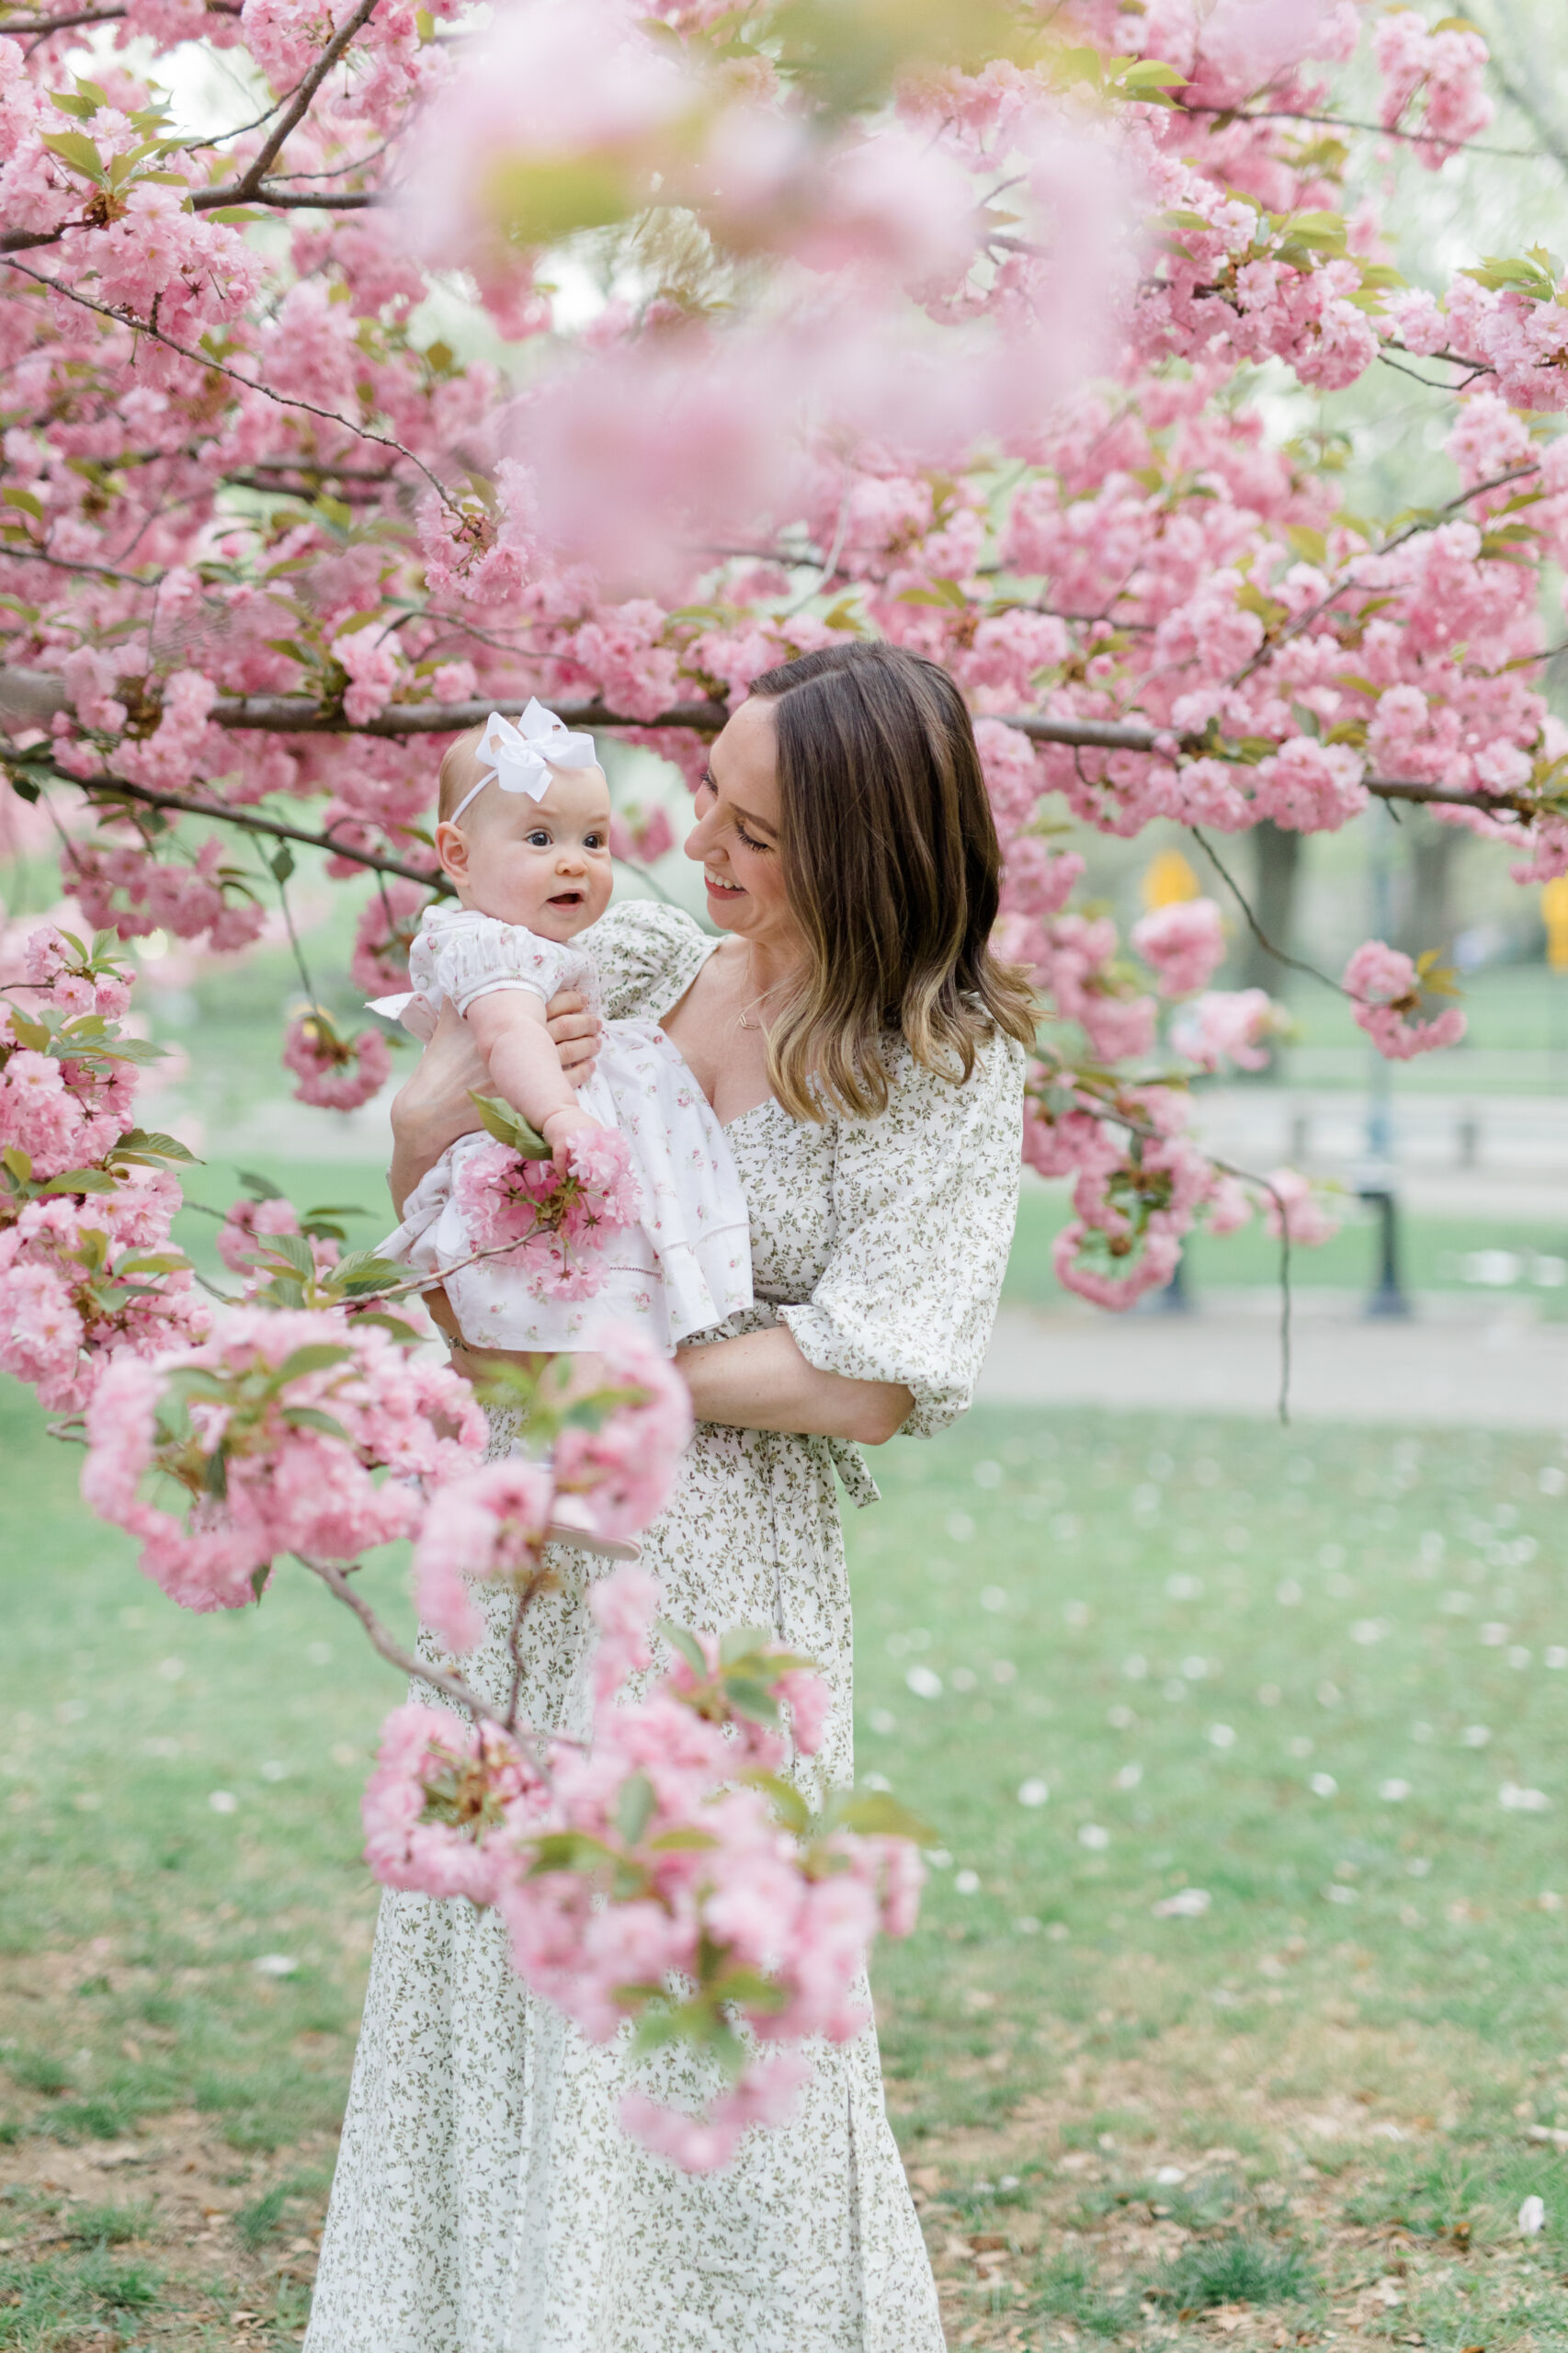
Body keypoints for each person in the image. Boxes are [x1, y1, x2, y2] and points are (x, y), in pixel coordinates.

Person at [305, 642, 1034, 2353]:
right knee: (495, 1961)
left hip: (723, 1591)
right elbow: (464, 1209)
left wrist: (610, 1373)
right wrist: (420, 1129)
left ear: (867, 850)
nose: (697, 842)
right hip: (534, 1543)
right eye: (705, 792)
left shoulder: (933, 1058)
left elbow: (868, 1372)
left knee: (701, 1987)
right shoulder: (625, 962)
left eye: (757, 830)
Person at [376, 700, 753, 1359]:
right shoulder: (490, 949)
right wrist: (561, 1120)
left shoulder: (531, 945)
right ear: (457, 857)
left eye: (594, 840)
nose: (576, 862)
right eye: (541, 839)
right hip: (535, 1129)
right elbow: (509, 1037)